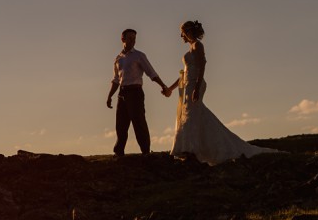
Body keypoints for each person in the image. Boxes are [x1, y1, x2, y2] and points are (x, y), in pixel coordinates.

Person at [163, 20, 281, 164]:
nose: (181, 35)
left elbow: (202, 67)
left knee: (192, 116)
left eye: (182, 32)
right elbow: (184, 74)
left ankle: (193, 150)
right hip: (187, 85)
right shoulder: (190, 50)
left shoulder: (197, 46)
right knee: (192, 117)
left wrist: (197, 87)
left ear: (188, 32)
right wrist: (170, 88)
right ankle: (190, 149)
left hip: (195, 85)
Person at [106, 28, 170, 156]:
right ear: (122, 39)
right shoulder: (118, 59)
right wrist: (109, 96)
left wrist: (163, 85)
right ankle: (119, 152)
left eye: (134, 38)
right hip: (122, 93)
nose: (133, 41)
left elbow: (151, 72)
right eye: (130, 38)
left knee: (139, 122)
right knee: (121, 124)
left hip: (135, 92)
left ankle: (145, 151)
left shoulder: (139, 56)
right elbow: (116, 79)